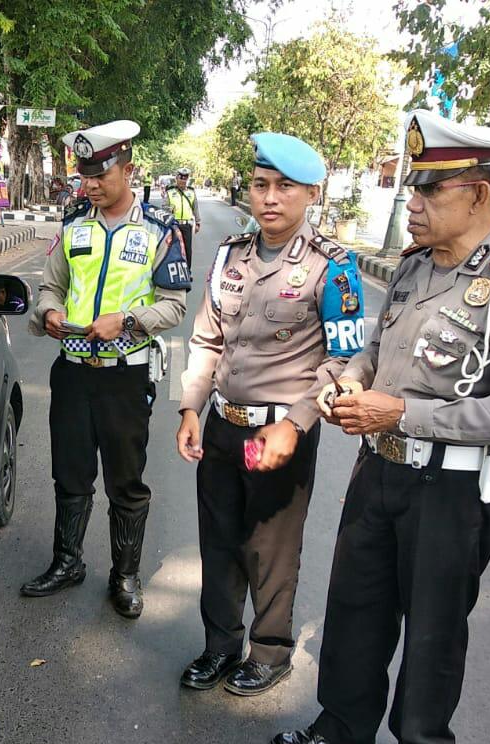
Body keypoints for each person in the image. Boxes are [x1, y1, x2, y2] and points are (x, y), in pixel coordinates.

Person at [272, 110, 490, 744]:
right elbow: (373, 352)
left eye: (431, 191)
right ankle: (344, 727)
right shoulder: (412, 268)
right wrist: (344, 383)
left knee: (433, 632)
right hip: (379, 471)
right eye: (414, 188)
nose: (414, 203)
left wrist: (398, 413)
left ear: (479, 194)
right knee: (354, 606)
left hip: (453, 489)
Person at [176, 133, 365, 695]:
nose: (270, 197)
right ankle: (219, 646)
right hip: (221, 425)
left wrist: (297, 422)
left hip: (280, 430)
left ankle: (271, 650)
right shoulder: (229, 255)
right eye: (261, 184)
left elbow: (345, 357)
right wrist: (190, 406)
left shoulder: (334, 268)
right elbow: (207, 338)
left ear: (311, 194)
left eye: (285, 187)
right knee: (220, 539)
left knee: (271, 549)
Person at [21, 119, 192, 618]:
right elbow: (51, 285)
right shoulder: (74, 224)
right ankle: (67, 562)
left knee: (125, 480)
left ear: (128, 169)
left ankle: (125, 575)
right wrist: (48, 313)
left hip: (124, 376)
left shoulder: (161, 230)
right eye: (84, 176)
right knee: (69, 473)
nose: (90, 185)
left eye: (100, 174)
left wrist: (130, 320)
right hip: (73, 373)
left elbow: (175, 306)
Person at [165, 167, 201, 268]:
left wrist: (198, 222)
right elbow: (164, 208)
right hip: (173, 225)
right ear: (177, 178)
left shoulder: (191, 193)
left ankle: (187, 271)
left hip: (186, 225)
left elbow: (195, 208)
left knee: (188, 250)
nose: (182, 181)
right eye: (181, 178)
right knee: (173, 249)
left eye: (185, 179)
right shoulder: (170, 192)